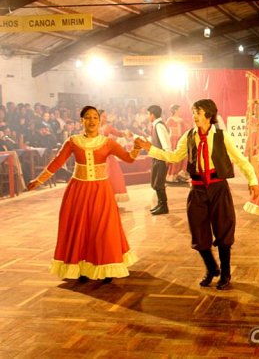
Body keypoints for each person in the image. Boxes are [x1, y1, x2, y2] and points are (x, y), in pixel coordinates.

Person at [135, 99, 259, 290]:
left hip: (218, 188)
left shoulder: (221, 136)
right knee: (198, 232)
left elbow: (240, 159)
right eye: (193, 112)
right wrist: (149, 148)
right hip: (198, 189)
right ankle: (211, 267)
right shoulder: (189, 136)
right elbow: (174, 156)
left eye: (198, 113)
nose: (194, 116)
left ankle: (225, 273)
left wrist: (253, 180)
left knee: (224, 230)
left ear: (209, 115)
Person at [28, 106, 141, 282]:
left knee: (103, 228)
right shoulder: (73, 141)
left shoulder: (108, 142)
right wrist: (39, 180)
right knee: (80, 229)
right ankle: (81, 266)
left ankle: (106, 266)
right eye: (87, 117)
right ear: (81, 121)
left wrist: (137, 148)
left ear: (100, 121)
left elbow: (129, 158)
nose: (92, 120)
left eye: (95, 117)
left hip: (101, 190)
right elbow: (57, 162)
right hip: (78, 190)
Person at [100, 110, 131, 202]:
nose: (106, 118)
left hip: (106, 153)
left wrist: (125, 133)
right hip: (96, 153)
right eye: (103, 116)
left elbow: (118, 133)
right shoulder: (92, 126)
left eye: (106, 116)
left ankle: (110, 196)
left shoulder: (107, 127)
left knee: (112, 174)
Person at [147, 105, 171, 215]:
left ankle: (163, 206)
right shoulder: (156, 125)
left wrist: (167, 157)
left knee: (159, 182)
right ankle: (160, 204)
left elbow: (165, 142)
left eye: (148, 114)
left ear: (152, 115)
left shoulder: (159, 126)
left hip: (161, 158)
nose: (148, 116)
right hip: (157, 157)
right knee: (157, 182)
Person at [166, 104, 189, 182]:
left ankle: (179, 175)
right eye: (179, 109)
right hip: (173, 139)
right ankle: (172, 176)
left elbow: (187, 129)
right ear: (175, 110)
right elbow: (165, 129)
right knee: (175, 157)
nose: (180, 111)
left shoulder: (181, 120)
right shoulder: (170, 119)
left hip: (180, 139)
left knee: (182, 157)